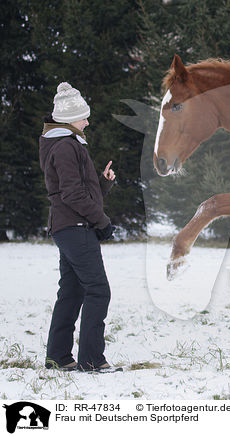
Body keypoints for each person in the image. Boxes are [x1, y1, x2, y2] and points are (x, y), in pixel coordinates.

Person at [39, 82, 120, 372]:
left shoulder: (66, 144)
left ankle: (58, 357)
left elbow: (75, 191)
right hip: (75, 227)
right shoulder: (64, 146)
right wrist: (102, 221)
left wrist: (103, 184)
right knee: (98, 290)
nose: (87, 121)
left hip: (69, 227)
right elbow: (72, 195)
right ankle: (92, 360)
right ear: (69, 119)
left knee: (72, 292)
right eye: (83, 117)